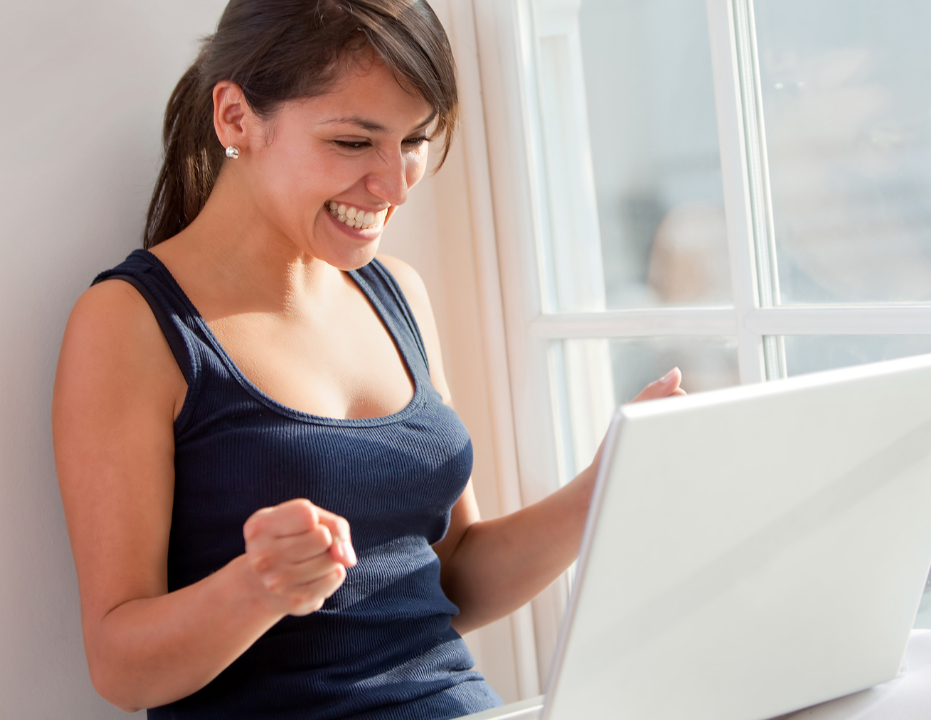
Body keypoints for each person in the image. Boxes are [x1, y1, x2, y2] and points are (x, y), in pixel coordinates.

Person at [50, 2, 685, 718]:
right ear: (235, 118)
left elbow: (452, 578)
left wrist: (605, 486)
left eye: (413, 140)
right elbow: (121, 669)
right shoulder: (133, 324)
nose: (397, 185)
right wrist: (256, 588)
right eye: (354, 142)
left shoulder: (398, 293)